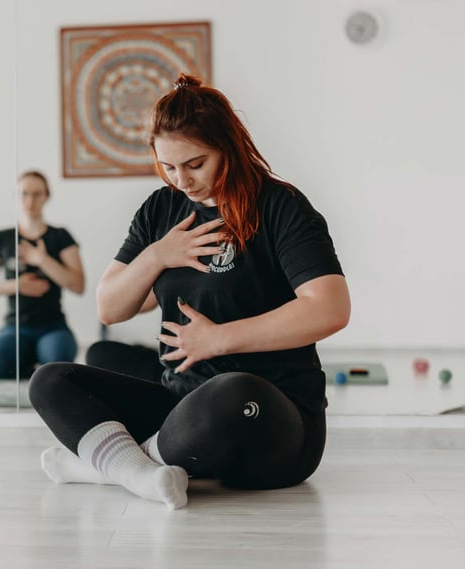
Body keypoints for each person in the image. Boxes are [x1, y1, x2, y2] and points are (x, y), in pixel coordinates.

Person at [29, 74, 351, 510]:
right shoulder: (161, 210)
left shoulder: (281, 207)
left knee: (231, 391)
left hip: (270, 417)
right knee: (51, 380)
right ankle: (141, 471)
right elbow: (110, 308)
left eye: (195, 164)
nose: (182, 180)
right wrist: (158, 256)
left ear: (228, 148)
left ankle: (109, 466)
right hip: (180, 404)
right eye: (168, 166)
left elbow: (330, 308)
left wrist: (219, 339)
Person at [0, 170, 85, 379]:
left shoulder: (61, 236)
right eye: (24, 194)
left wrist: (42, 260)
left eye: (37, 194)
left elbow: (78, 285)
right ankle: (30, 360)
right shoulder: (2, 237)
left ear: (46, 196)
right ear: (16, 196)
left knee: (59, 365)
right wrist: (18, 285)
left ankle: (40, 358)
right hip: (15, 327)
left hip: (52, 326)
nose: (30, 201)